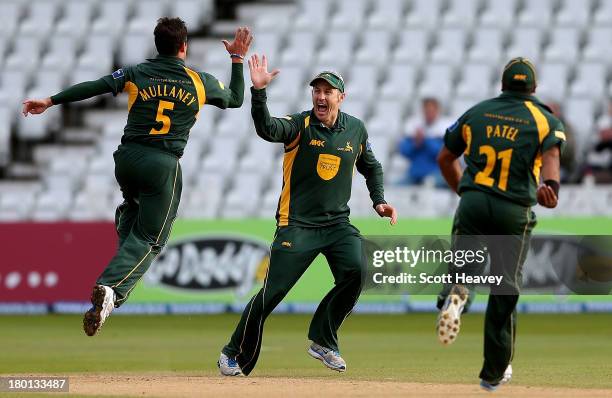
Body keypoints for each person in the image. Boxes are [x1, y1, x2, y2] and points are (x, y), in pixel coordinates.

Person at [22, 18, 253, 336]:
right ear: (184, 46)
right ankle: (110, 287)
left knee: (133, 212)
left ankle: (114, 291)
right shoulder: (200, 82)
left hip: (128, 159)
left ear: (157, 45)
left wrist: (50, 101)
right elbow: (236, 99)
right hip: (163, 164)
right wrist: (237, 60)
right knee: (152, 238)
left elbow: (96, 86)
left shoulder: (138, 73)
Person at [217, 56, 397, 377]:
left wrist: (379, 201)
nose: (321, 97)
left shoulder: (355, 129)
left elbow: (371, 166)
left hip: (337, 225)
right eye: (317, 91)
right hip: (296, 225)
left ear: (341, 97)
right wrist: (259, 93)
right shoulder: (299, 125)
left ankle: (323, 341)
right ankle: (232, 352)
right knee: (272, 294)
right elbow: (267, 128)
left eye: (328, 92)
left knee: (357, 270)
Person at [435, 57, 565, 391]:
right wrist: (551, 188)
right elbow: (551, 161)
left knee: (465, 270)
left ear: (503, 85)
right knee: (504, 289)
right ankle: (493, 373)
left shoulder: (477, 113)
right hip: (513, 211)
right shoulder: (544, 119)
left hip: (474, 203)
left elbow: (445, 158)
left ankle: (456, 295)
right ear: (533, 88)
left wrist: (467, 192)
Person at [398, 97, 450, 187]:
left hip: (436, 174)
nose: (429, 114)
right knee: (395, 187)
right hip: (415, 174)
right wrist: (415, 144)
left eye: (431, 111)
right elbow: (404, 151)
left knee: (429, 183)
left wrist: (425, 140)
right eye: (426, 111)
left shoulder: (445, 128)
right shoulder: (414, 126)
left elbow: (443, 153)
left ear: (437, 111)